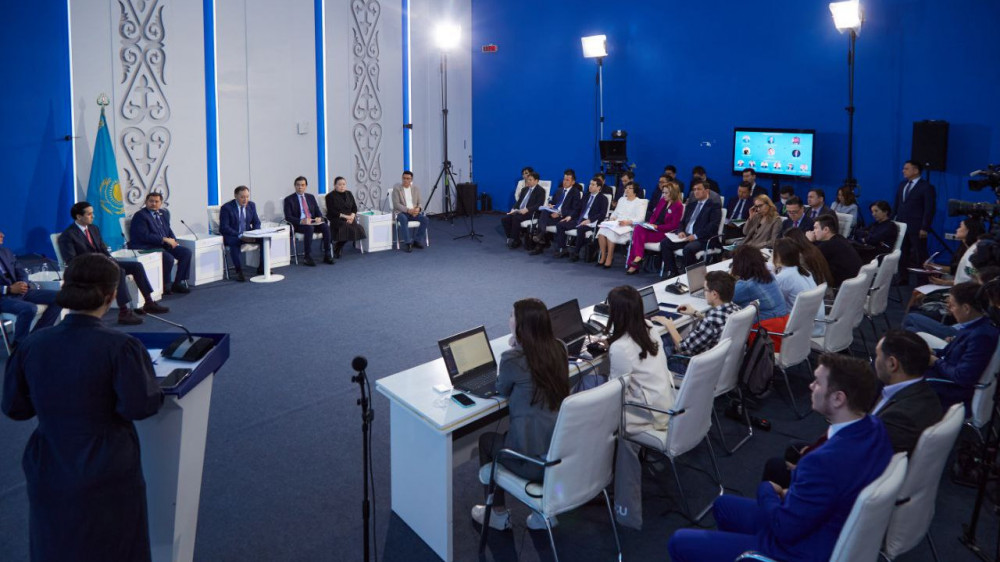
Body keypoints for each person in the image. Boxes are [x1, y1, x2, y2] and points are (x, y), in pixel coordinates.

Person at [2, 253, 164, 561]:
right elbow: (139, 406)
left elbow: (15, 408)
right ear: (111, 295)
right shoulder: (122, 347)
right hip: (107, 464)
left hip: (48, 461)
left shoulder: (30, 345)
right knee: (116, 546)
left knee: (54, 543)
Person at [667, 353, 892, 562]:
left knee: (679, 542)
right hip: (821, 524)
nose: (811, 386)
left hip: (796, 549)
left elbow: (783, 528)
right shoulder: (875, 428)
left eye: (817, 382)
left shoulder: (822, 462)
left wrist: (767, 489)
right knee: (723, 505)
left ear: (838, 398)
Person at [761, 332, 939, 487]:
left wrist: (808, 466)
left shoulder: (900, 417)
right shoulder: (923, 394)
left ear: (892, 364)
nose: (874, 361)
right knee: (794, 448)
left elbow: (863, 464)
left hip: (852, 481)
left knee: (776, 466)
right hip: (858, 457)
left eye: (877, 356)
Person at [470, 298, 569, 532]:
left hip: (533, 464)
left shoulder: (512, 359)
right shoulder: (560, 348)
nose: (509, 319)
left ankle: (497, 514)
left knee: (486, 441)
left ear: (522, 325)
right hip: (560, 453)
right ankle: (544, 512)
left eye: (512, 316)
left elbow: (502, 388)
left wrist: (515, 348)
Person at [58, 201, 169, 325]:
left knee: (136, 266)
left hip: (103, 263)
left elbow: (102, 248)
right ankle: (124, 312)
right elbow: (72, 261)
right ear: (79, 216)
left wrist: (110, 260)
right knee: (119, 271)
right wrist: (99, 262)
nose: (93, 216)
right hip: (88, 269)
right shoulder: (68, 235)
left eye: (92, 213)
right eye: (89, 214)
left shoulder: (93, 228)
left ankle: (149, 302)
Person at [605, 286, 674, 434]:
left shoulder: (620, 347)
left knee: (590, 384)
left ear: (615, 313)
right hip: (665, 402)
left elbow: (615, 392)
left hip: (647, 414)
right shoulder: (649, 326)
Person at [926, 282, 1000, 408]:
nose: (950, 309)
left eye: (952, 305)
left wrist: (935, 361)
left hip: (951, 391)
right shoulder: (974, 326)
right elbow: (949, 354)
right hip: (945, 376)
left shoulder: (981, 336)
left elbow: (962, 377)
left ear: (966, 308)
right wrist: (933, 353)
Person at [654, 271, 742, 375]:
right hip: (723, 365)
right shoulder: (736, 309)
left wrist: (669, 325)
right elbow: (717, 324)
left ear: (714, 294)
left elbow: (683, 348)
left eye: (705, 290)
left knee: (659, 342)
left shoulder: (710, 322)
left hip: (696, 368)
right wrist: (696, 313)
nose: (704, 293)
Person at [0, 230, 62, 344]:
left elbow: (21, 271)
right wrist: (9, 289)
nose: (2, 235)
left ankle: (36, 336)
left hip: (21, 291)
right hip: (3, 298)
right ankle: (20, 345)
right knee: (29, 308)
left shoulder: (6, 252)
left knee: (60, 297)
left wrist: (23, 283)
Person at [127, 192, 192, 295]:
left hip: (162, 245)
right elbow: (144, 236)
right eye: (151, 201)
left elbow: (168, 230)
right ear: (146, 202)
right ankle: (165, 285)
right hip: (147, 246)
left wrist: (174, 241)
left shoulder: (163, 213)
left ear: (161, 203)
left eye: (156, 201)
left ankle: (178, 283)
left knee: (186, 252)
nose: (153, 203)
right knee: (168, 258)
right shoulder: (140, 216)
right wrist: (164, 239)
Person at [660, 180, 722, 278]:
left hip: (702, 238)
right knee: (665, 243)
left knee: (688, 249)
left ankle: (690, 277)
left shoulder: (714, 206)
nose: (695, 192)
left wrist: (696, 236)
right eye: (694, 189)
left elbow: (713, 226)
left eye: (699, 189)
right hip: (686, 236)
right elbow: (682, 222)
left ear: (706, 191)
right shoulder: (691, 205)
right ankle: (673, 272)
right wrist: (681, 231)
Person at [894, 160, 936, 285]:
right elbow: (897, 204)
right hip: (902, 226)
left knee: (919, 254)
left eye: (906, 168)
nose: (903, 171)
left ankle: (922, 280)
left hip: (917, 227)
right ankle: (903, 278)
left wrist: (925, 227)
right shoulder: (902, 185)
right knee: (902, 253)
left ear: (916, 170)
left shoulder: (926, 187)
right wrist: (892, 221)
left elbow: (929, 209)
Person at [626, 181, 683, 273]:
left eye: (666, 193)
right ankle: (638, 257)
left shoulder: (678, 206)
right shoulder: (662, 201)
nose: (663, 195)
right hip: (654, 228)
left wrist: (657, 227)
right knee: (638, 229)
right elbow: (654, 215)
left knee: (638, 238)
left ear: (673, 193)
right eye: (663, 192)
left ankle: (634, 264)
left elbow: (674, 225)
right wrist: (650, 225)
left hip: (665, 232)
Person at [771, 238, 825, 335]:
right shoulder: (805, 272)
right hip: (817, 324)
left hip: (801, 330)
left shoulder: (784, 277)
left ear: (778, 256)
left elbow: (773, 303)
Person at [553, 176, 608, 262]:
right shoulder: (586, 195)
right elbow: (577, 208)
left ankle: (576, 253)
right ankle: (563, 249)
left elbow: (602, 214)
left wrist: (589, 220)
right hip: (579, 219)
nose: (590, 186)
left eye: (593, 185)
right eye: (590, 184)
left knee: (581, 229)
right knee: (560, 225)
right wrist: (570, 216)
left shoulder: (603, 199)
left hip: (591, 222)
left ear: (599, 187)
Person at [283, 176, 334, 265]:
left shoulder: (311, 197)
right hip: (299, 225)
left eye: (302, 185)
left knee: (325, 226)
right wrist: (301, 221)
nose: (300, 187)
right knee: (309, 228)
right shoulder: (289, 199)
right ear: (295, 186)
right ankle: (307, 257)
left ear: (306, 186)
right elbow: (288, 217)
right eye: (298, 185)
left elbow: (318, 212)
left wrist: (319, 218)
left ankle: (327, 254)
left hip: (312, 222)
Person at [218, 185, 264, 282]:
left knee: (265, 239)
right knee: (234, 243)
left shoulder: (251, 205)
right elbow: (224, 227)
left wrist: (255, 233)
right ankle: (239, 271)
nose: (245, 199)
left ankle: (262, 267)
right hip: (233, 235)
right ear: (235, 196)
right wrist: (240, 235)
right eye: (242, 197)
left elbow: (256, 222)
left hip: (248, 234)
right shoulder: (226, 208)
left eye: (247, 197)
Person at [530, 169, 582, 254]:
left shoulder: (575, 192)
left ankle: (540, 240)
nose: (565, 182)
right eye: (564, 179)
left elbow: (575, 209)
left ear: (573, 182)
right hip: (553, 213)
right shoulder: (559, 190)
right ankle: (541, 236)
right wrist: (551, 205)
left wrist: (560, 213)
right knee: (544, 212)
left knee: (542, 221)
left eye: (567, 180)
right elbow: (553, 202)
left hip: (563, 217)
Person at [730, 245, 787, 322]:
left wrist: (731, 276)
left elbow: (723, 299)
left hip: (768, 325)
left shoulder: (746, 285)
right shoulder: (770, 276)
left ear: (739, 265)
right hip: (783, 321)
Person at [595, 183, 645, 269]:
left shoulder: (639, 202)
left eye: (630, 188)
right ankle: (603, 256)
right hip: (617, 223)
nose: (627, 190)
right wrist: (612, 218)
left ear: (635, 191)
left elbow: (641, 218)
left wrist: (628, 222)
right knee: (601, 231)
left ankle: (609, 257)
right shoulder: (622, 199)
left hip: (628, 226)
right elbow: (615, 212)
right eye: (626, 188)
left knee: (611, 232)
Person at [810, 214, 863, 288]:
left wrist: (808, 241)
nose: (813, 231)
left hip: (839, 288)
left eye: (815, 228)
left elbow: (807, 260)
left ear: (826, 230)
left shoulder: (828, 246)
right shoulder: (840, 239)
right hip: (855, 286)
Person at [324, 176, 367, 259]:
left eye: (344, 184)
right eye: (339, 184)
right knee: (346, 227)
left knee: (358, 228)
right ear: (335, 185)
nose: (342, 186)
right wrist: (346, 217)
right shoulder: (329, 196)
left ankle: (338, 245)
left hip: (350, 218)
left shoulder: (349, 194)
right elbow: (332, 211)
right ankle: (338, 247)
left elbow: (354, 207)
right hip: (336, 218)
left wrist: (352, 216)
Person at [501, 170, 545, 249]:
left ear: (536, 181)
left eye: (530, 180)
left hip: (531, 212)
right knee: (505, 219)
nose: (528, 181)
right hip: (519, 211)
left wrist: (527, 209)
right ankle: (513, 237)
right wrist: (513, 209)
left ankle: (515, 240)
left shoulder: (540, 191)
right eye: (528, 179)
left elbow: (539, 205)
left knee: (516, 218)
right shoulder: (524, 189)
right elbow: (519, 202)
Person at [391, 170, 430, 253]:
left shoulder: (416, 189)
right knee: (403, 219)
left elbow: (420, 202)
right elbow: (396, 204)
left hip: (414, 212)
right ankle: (408, 243)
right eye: (404, 178)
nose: (405, 180)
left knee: (425, 220)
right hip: (401, 212)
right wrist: (408, 210)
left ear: (411, 180)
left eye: (408, 179)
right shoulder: (397, 189)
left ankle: (417, 241)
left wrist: (418, 209)